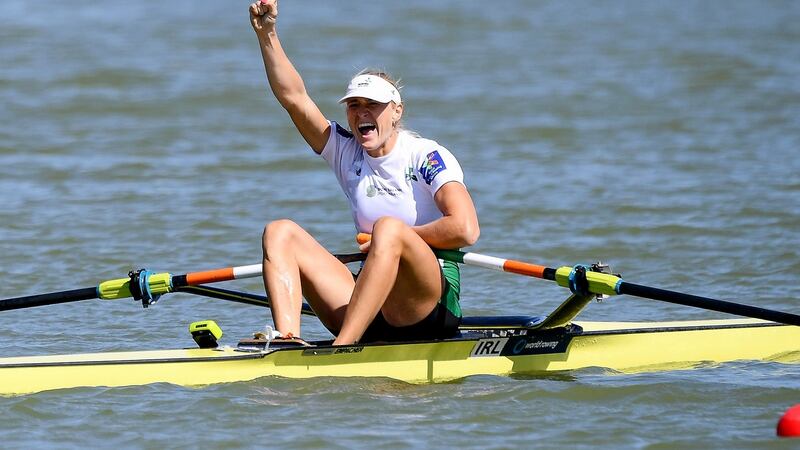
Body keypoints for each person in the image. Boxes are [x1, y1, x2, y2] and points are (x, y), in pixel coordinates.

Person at [249, 0, 479, 345]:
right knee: (279, 232)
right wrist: (266, 33)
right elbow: (294, 98)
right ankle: (286, 337)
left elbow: (465, 228)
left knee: (389, 229)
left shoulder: (426, 156)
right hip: (371, 304)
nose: (361, 113)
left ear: (396, 111)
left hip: (427, 307)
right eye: (354, 106)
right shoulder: (347, 152)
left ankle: (344, 347)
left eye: (372, 105)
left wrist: (394, 239)